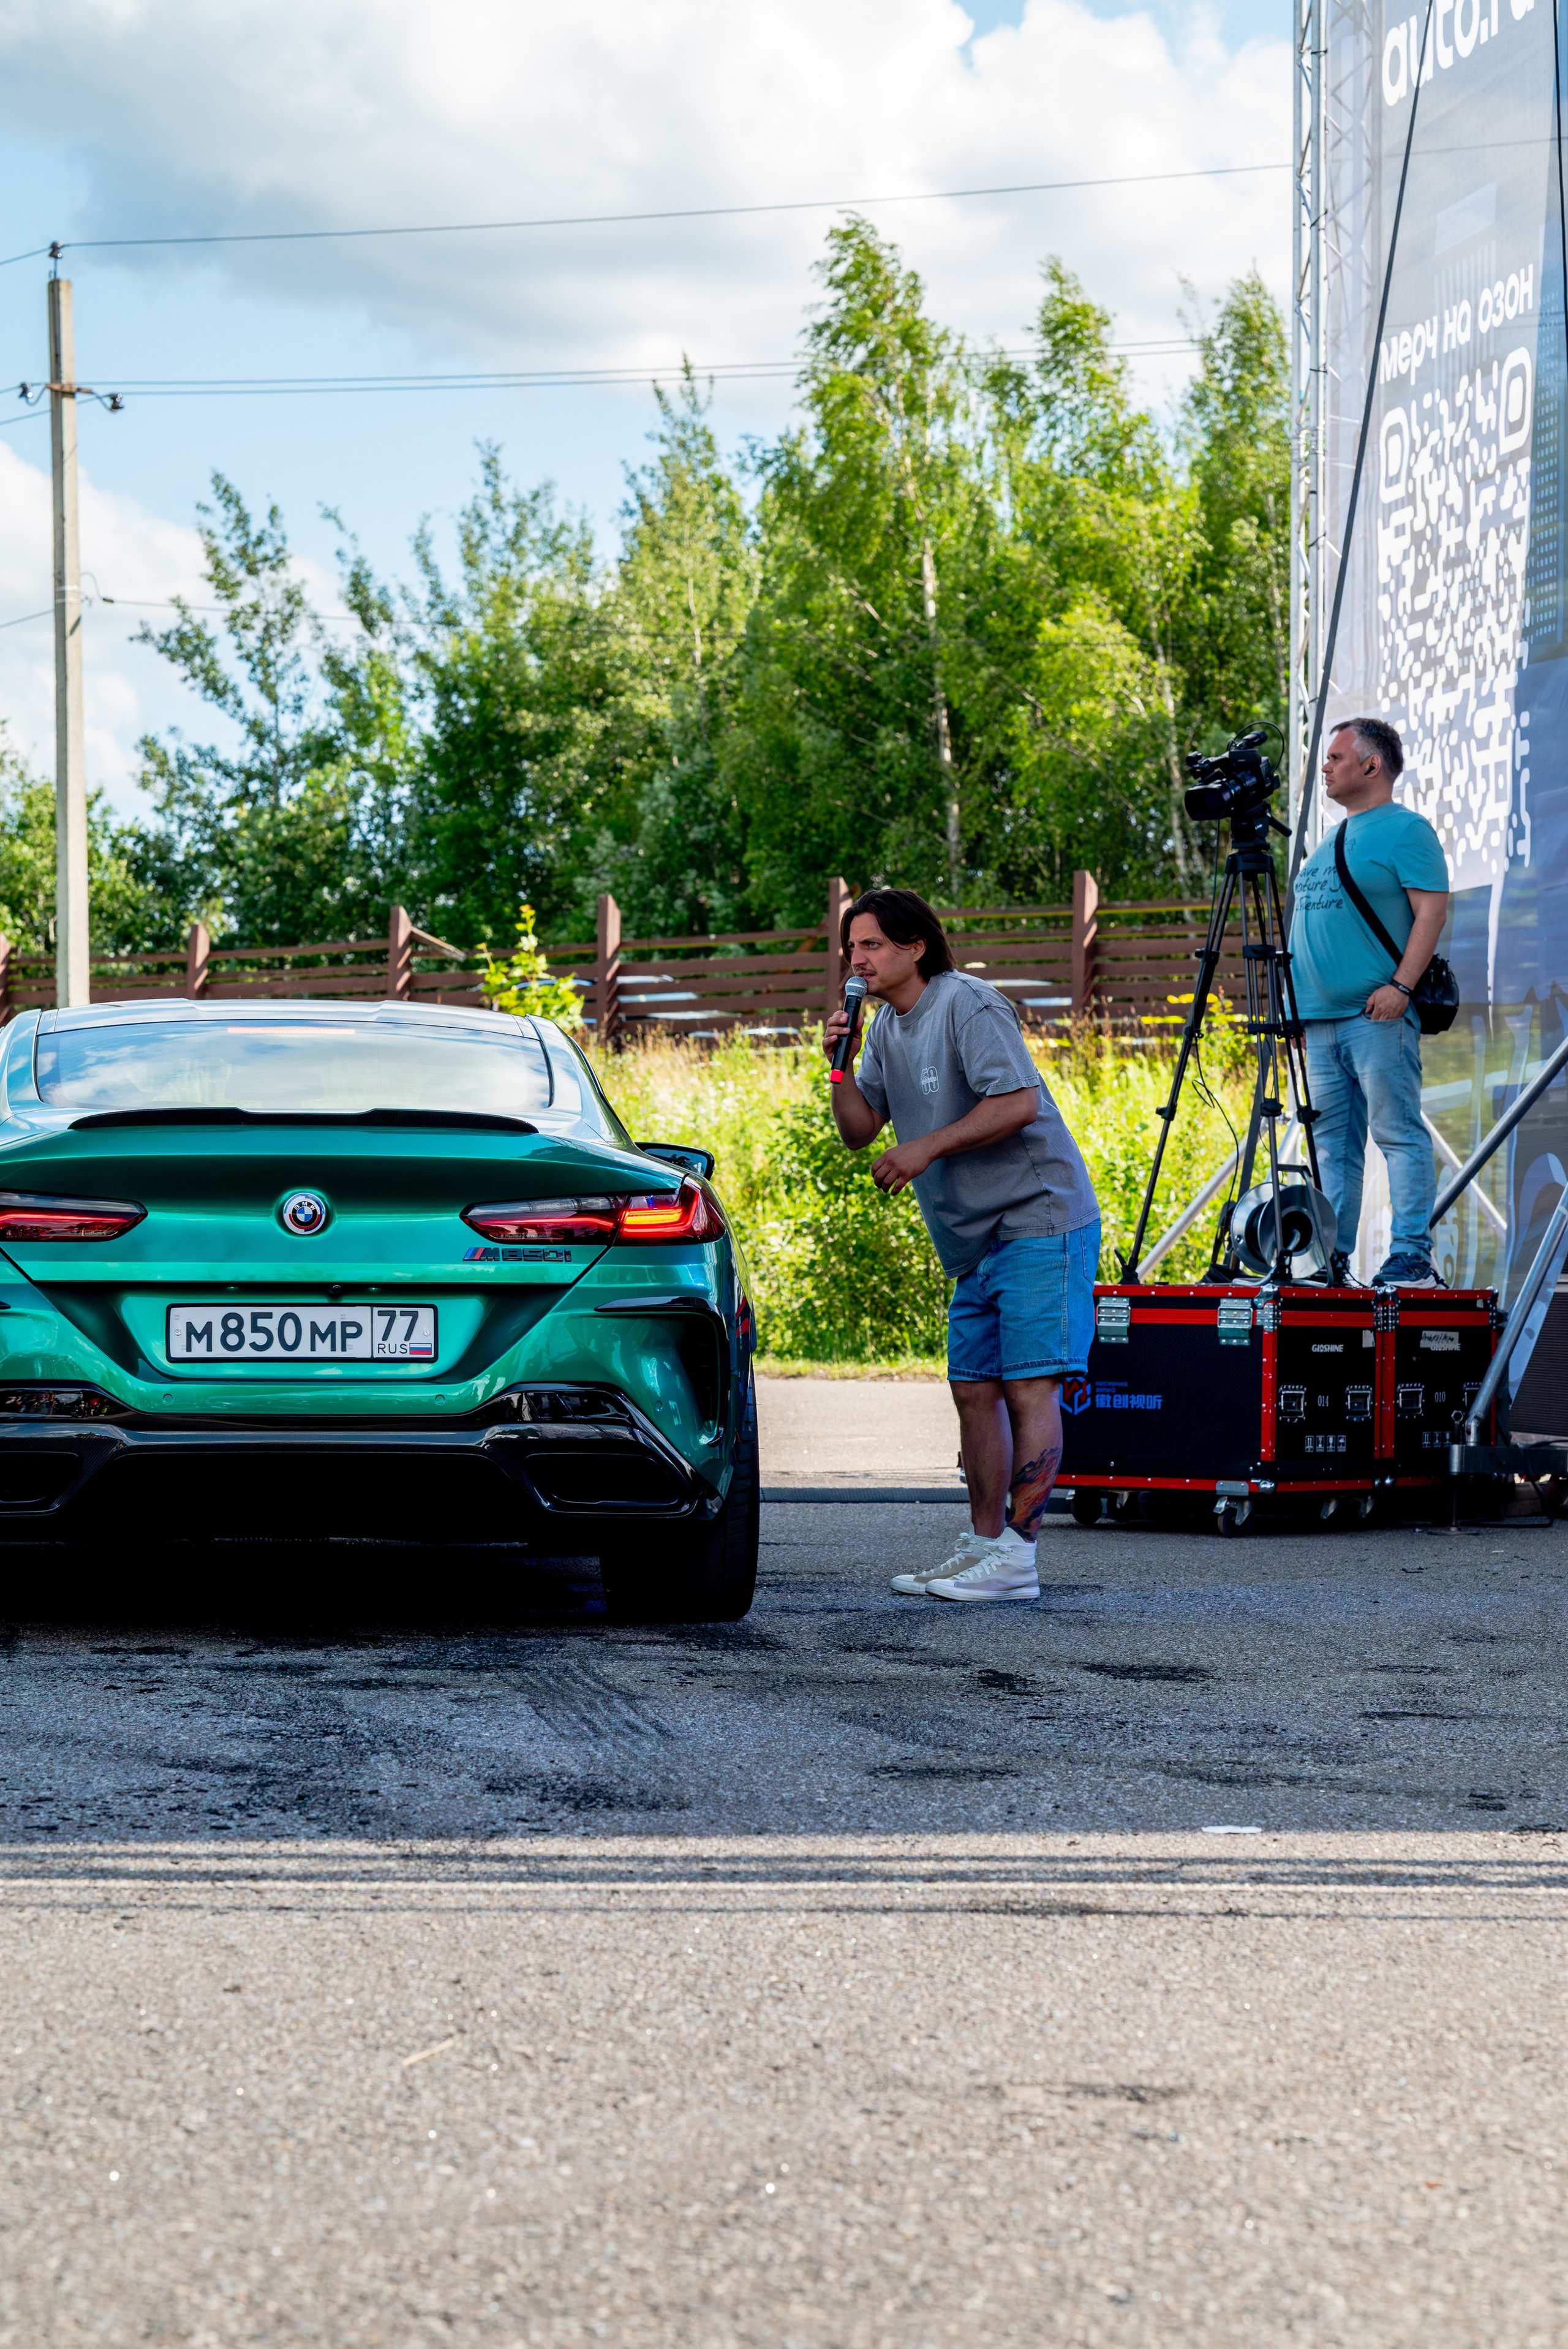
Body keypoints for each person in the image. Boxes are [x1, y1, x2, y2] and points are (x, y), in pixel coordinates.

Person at [824, 888, 1101, 1603]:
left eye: (871, 944)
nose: (857, 960)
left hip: (1038, 1217)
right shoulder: (883, 1029)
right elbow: (858, 1130)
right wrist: (837, 1066)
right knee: (973, 1389)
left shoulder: (966, 1003)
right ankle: (984, 1548)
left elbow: (1018, 1103)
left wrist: (924, 1148)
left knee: (1028, 1385)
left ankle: (1019, 1556)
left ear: (915, 946)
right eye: (852, 948)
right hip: (973, 1241)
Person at [1289, 716, 1450, 1286]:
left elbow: (1432, 912)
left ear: (1372, 765)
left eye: (1336, 757)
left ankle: (1411, 1255)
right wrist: (1297, 1008)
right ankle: (1328, 1259)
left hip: (1376, 1017)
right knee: (1332, 1149)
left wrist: (1401, 987)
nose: (1326, 766)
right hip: (1319, 1023)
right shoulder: (1329, 840)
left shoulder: (1407, 830)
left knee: (1398, 1133)